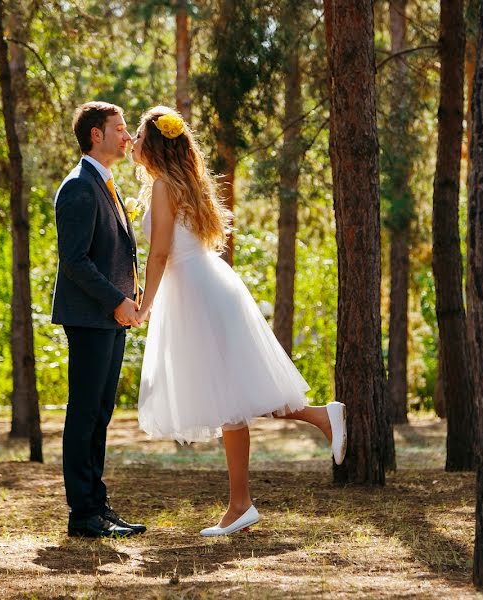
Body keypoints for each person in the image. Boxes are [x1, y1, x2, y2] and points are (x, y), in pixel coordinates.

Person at [131, 106, 347, 537]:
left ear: (153, 146)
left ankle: (250, 494)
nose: (133, 143)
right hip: (206, 284)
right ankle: (244, 501)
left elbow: (158, 254)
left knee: (230, 395)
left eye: (138, 136)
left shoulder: (162, 186)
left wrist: (143, 305)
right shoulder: (185, 182)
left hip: (194, 290)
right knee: (231, 395)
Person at [51, 101, 147, 538]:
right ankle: (82, 513)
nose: (128, 137)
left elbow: (112, 251)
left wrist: (132, 293)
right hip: (90, 318)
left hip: (110, 317)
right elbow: (73, 261)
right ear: (96, 134)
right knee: (85, 412)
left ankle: (97, 503)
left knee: (101, 412)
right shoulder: (79, 187)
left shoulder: (105, 183)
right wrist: (115, 300)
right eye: (120, 129)